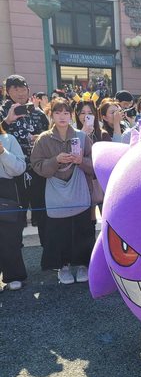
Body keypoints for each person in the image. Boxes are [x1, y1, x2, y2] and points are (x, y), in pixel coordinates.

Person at [30, 99, 94, 284]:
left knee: (82, 229)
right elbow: (36, 165)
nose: (62, 117)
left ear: (71, 115)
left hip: (80, 190)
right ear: (51, 115)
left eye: (66, 113)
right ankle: (63, 266)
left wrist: (80, 161)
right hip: (55, 192)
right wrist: (55, 160)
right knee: (59, 231)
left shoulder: (81, 137)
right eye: (58, 112)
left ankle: (82, 265)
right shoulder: (44, 139)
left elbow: (94, 163)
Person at [0, 74, 49, 242]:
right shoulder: (2, 112)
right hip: (11, 174)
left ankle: (47, 253)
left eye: (23, 88)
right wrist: (7, 121)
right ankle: (14, 252)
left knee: (42, 213)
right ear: (7, 91)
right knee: (15, 217)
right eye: (15, 89)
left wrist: (41, 137)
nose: (20, 92)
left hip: (37, 170)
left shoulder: (38, 113)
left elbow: (50, 133)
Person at [0, 123, 27, 290]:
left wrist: (3, 153)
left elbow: (19, 168)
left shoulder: (8, 139)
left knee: (9, 236)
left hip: (6, 188)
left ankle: (14, 275)